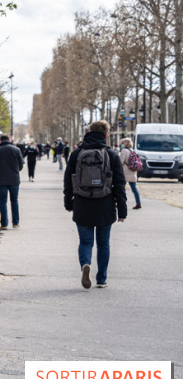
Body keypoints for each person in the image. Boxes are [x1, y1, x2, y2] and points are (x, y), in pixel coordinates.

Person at [63, 121, 127, 289]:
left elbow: (68, 180)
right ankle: (101, 279)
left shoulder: (77, 154)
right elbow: (119, 185)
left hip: (82, 202)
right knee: (103, 243)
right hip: (105, 204)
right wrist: (122, 211)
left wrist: (68, 202)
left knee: (85, 242)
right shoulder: (111, 155)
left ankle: (85, 264)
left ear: (88, 132)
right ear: (106, 135)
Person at [0, 134, 24, 230]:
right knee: (14, 200)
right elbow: (21, 165)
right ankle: (15, 222)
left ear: (0, 141)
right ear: (9, 140)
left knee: (2, 201)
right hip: (14, 179)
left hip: (1, 180)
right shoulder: (16, 150)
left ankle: (4, 224)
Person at [120, 138, 142, 210]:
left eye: (122, 143)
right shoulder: (133, 151)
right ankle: (138, 203)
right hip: (133, 172)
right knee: (134, 189)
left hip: (125, 172)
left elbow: (121, 162)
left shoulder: (124, 151)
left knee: (121, 189)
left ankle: (121, 203)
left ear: (125, 143)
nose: (121, 144)